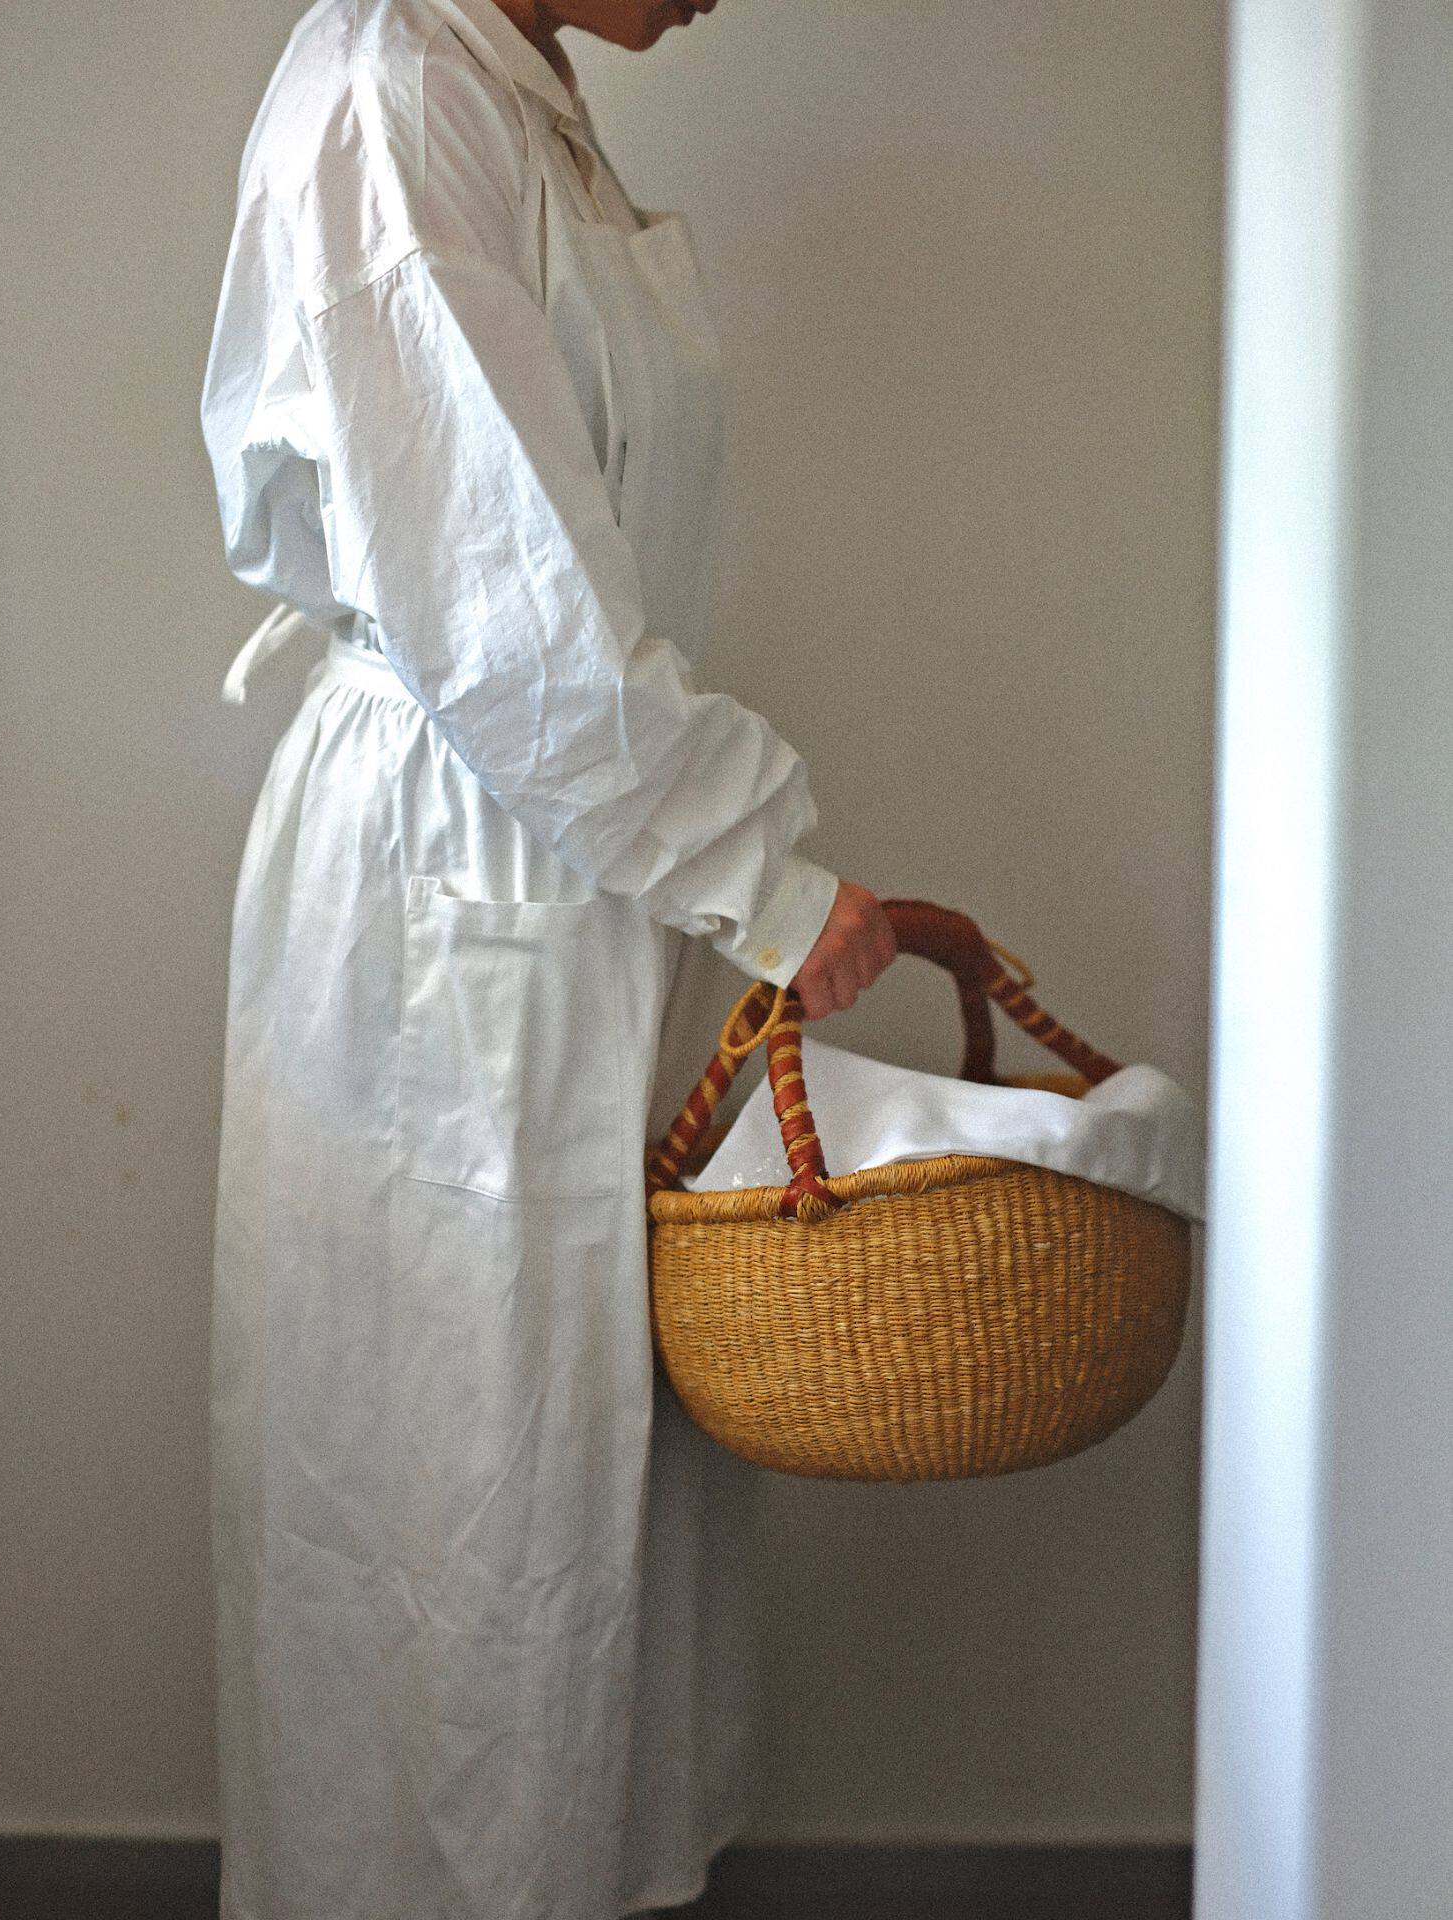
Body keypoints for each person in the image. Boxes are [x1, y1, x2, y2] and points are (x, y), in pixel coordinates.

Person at [200, 1, 895, 1914]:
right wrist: (758, 868)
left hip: (561, 844)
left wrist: (711, 860)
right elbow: (500, 605)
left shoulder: (515, 92)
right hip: (460, 873)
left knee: (562, 1458)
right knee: (454, 1473)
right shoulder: (396, 101)